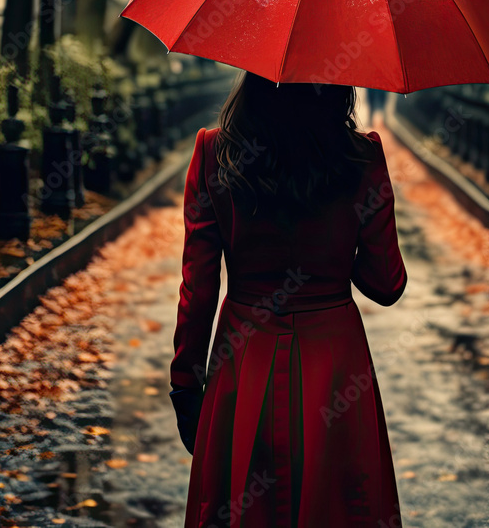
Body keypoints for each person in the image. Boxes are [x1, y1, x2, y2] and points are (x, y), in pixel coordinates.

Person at [169, 70, 408, 527]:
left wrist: (185, 382)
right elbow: (386, 283)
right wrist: (340, 246)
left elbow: (199, 286)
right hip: (335, 362)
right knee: (337, 506)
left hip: (244, 357)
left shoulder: (214, 153)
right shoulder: (361, 156)